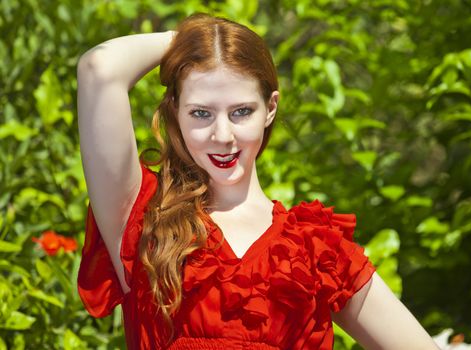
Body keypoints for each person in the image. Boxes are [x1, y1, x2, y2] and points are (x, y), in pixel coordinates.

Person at [76, 13, 439, 350]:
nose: (223, 135)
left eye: (241, 112)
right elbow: (99, 68)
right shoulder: (143, 216)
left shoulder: (315, 250)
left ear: (271, 109)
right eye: (201, 113)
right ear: (175, 109)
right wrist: (198, 38)